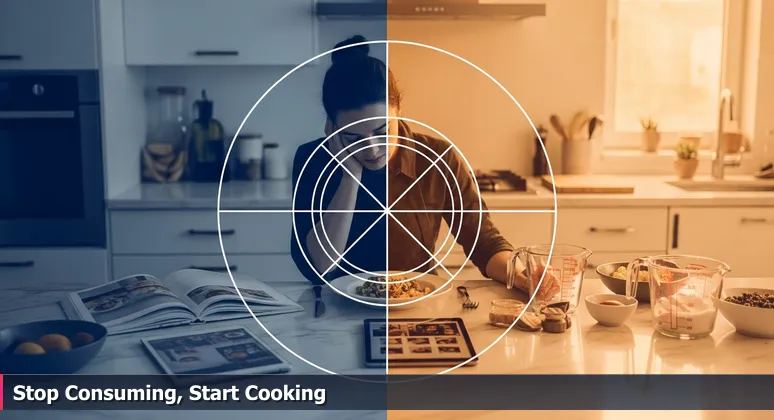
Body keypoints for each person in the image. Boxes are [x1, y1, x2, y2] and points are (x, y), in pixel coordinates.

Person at [290, 35, 558, 299]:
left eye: (383, 131)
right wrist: (349, 176)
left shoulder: (438, 158)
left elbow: (483, 242)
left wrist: (518, 274)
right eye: (353, 138)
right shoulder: (312, 161)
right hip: (336, 310)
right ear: (332, 128)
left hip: (417, 307)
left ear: (398, 109)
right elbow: (318, 267)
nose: (371, 150)